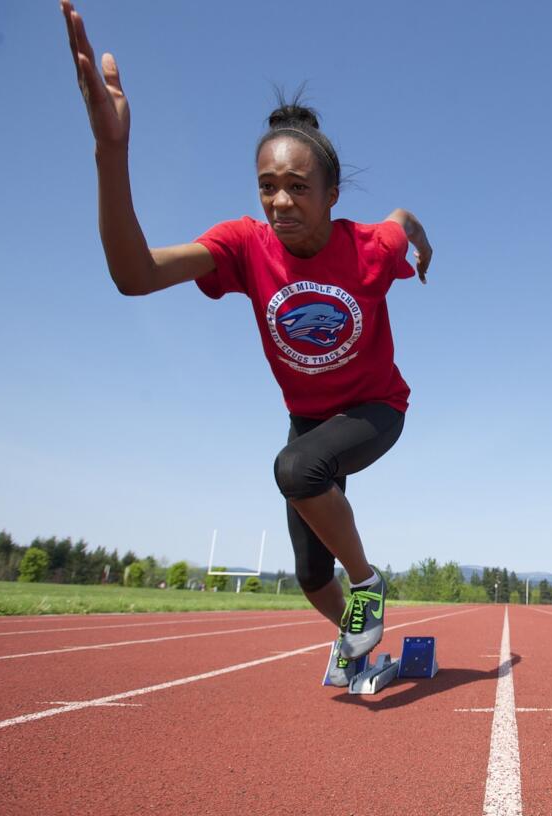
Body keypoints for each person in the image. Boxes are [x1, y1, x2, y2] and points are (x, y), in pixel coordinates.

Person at [61, 1, 432, 686]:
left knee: (295, 471)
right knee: (310, 577)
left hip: (377, 409)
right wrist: (111, 152)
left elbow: (398, 222)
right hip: (309, 420)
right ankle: (361, 645)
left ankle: (371, 584)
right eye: (268, 187)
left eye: (297, 187)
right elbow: (134, 275)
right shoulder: (243, 245)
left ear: (330, 194)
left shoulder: (369, 247)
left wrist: (416, 229)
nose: (281, 202)